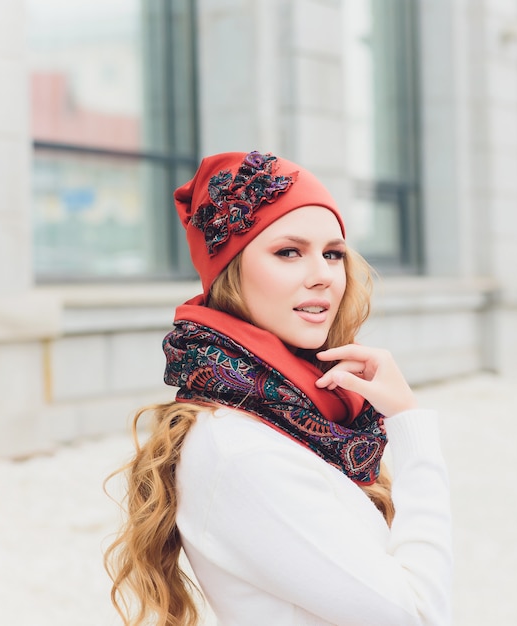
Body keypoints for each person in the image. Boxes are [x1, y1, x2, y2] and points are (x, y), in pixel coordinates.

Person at [105, 150, 452, 626]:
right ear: (231, 273)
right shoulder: (244, 450)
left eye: (333, 253)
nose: (323, 276)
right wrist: (411, 426)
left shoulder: (297, 415)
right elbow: (418, 615)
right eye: (289, 252)